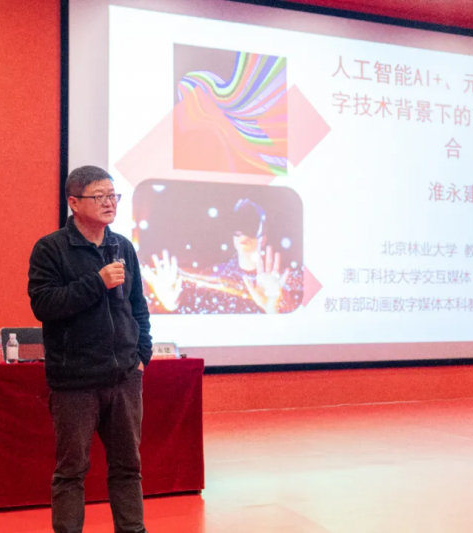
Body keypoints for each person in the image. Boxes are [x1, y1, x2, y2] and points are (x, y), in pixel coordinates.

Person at [28, 165, 152, 533]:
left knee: (128, 467)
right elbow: (45, 305)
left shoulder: (122, 246)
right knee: (71, 471)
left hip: (124, 378)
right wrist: (97, 282)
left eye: (113, 195)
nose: (109, 203)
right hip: (75, 382)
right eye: (99, 196)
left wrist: (141, 355)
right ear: (74, 202)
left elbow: (137, 306)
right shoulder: (51, 249)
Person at [142, 198, 302, 314]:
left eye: (251, 225)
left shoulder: (283, 279)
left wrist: (276, 308)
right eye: (239, 226)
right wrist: (170, 303)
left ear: (263, 237)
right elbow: (191, 312)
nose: (244, 234)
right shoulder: (214, 277)